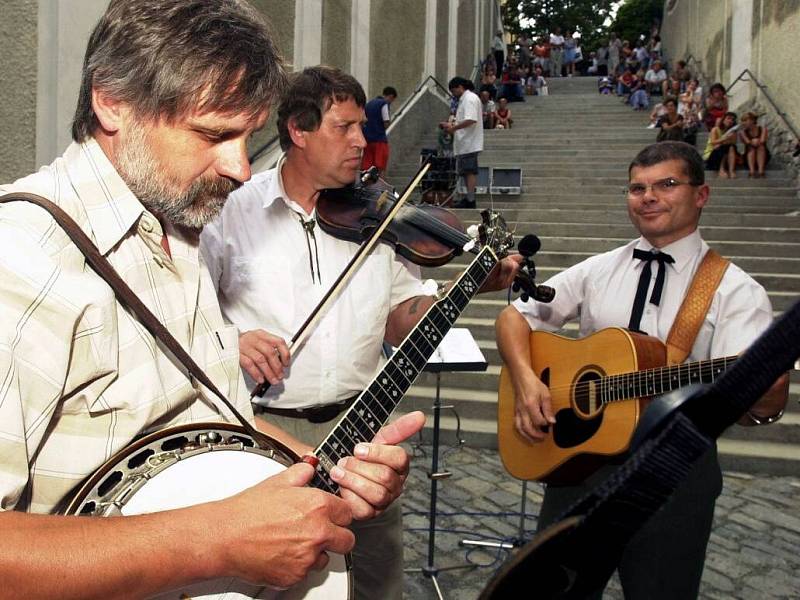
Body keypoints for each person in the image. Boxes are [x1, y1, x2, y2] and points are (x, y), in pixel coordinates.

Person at [0, 2, 424, 598]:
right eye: (213, 134)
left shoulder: (177, 227)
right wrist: (214, 542)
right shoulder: (19, 261)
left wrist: (329, 467)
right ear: (113, 102)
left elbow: (210, 423)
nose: (242, 168)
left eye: (248, 137)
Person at [200, 66, 522, 600]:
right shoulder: (232, 210)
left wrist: (465, 289)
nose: (363, 140)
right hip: (267, 431)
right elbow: (185, 314)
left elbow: (402, 313)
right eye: (345, 127)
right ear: (298, 132)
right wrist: (232, 339)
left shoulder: (379, 216)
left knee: (376, 577)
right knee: (275, 581)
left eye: (362, 127)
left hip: (366, 425)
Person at [495, 141, 789, 600]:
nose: (648, 196)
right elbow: (515, 317)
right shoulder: (598, 268)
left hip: (673, 473)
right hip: (578, 464)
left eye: (666, 184)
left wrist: (766, 392)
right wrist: (527, 380)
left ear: (701, 195)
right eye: (637, 188)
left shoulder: (736, 291)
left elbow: (762, 401)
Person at [440, 76, 484, 209]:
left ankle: (470, 199)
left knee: (469, 171)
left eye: (454, 91)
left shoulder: (469, 99)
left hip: (469, 142)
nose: (453, 94)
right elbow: (464, 119)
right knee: (465, 171)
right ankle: (468, 198)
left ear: (460, 87)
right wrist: (449, 125)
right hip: (465, 142)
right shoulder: (465, 99)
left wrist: (453, 128)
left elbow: (471, 119)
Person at [361, 85, 397, 176]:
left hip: (367, 140)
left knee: (367, 167)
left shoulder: (368, 104)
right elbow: (386, 121)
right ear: (391, 96)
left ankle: (367, 188)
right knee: (380, 167)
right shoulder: (384, 103)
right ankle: (379, 187)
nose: (391, 102)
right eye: (392, 100)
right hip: (379, 140)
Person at [703, 111, 739, 178]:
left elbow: (733, 143)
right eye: (728, 118)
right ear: (723, 120)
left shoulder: (732, 131)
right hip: (712, 155)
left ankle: (731, 171)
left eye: (732, 119)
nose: (730, 121)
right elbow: (713, 142)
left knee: (731, 147)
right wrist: (725, 139)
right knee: (720, 146)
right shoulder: (715, 129)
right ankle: (721, 170)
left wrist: (731, 137)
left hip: (727, 153)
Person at [739, 111, 770, 178]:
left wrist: (756, 141)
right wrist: (752, 141)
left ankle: (761, 171)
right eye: (743, 121)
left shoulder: (762, 129)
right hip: (748, 157)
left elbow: (763, 140)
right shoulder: (743, 132)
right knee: (751, 148)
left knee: (761, 147)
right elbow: (747, 142)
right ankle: (752, 172)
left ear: (752, 120)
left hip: (763, 156)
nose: (743, 123)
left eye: (745, 120)